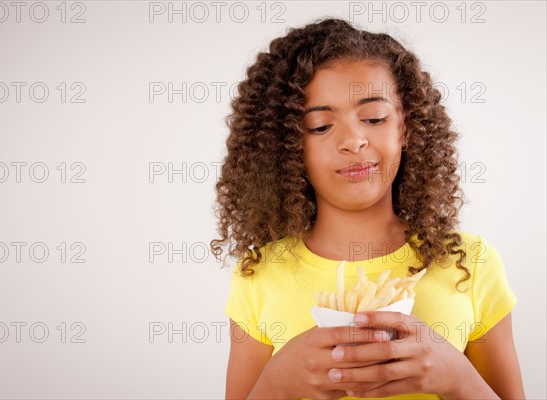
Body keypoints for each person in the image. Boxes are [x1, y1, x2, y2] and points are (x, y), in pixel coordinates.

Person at [210, 18, 525, 400]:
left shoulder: (471, 263)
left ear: (407, 127)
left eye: (374, 118)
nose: (353, 141)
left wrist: (457, 377)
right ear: (287, 146)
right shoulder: (259, 274)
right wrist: (277, 382)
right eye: (321, 126)